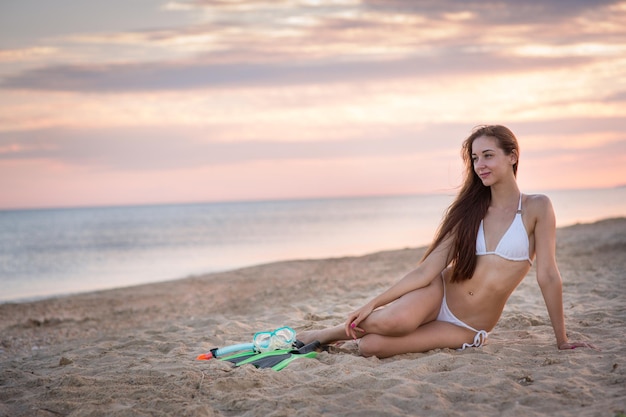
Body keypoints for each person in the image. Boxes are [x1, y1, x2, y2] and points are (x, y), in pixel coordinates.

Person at [298, 125, 594, 358]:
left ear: (512, 156)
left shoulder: (537, 207)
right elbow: (426, 271)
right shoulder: (469, 211)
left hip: (466, 325)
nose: (480, 165)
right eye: (475, 158)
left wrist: (562, 340)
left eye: (488, 155)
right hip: (438, 293)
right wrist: (372, 303)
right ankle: (325, 334)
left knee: (370, 347)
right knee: (394, 322)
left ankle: (337, 334)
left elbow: (549, 275)